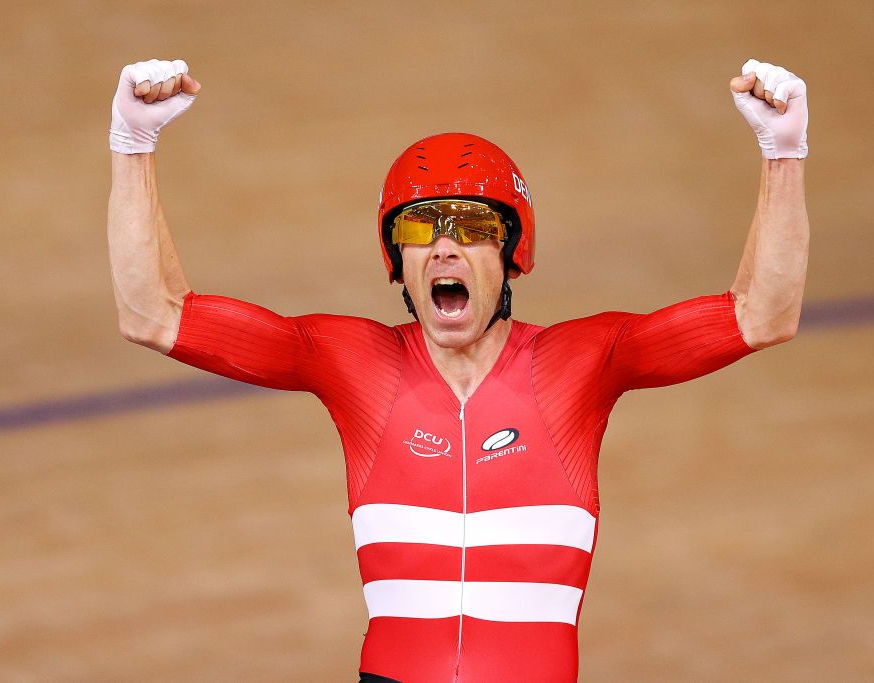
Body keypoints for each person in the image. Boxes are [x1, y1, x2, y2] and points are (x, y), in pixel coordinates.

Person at [106, 57, 809, 682]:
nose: (445, 248)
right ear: (397, 263)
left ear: (511, 252)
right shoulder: (353, 361)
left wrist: (784, 153)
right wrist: (132, 145)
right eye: (420, 228)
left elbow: (762, 313)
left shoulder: (583, 361)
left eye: (472, 227)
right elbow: (153, 314)